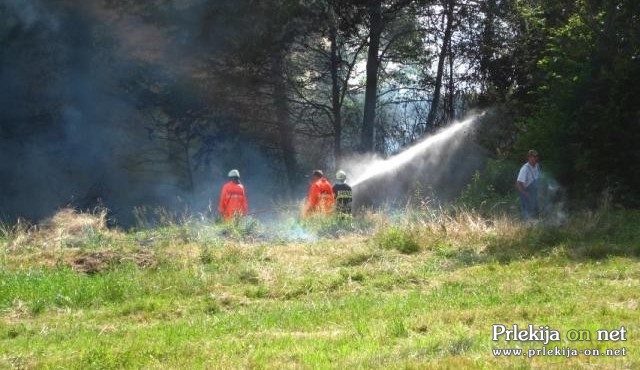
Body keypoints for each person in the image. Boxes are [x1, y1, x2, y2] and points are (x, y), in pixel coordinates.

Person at [516, 149, 540, 221]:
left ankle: (535, 224)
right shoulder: (525, 169)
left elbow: (537, 178)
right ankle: (526, 226)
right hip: (525, 191)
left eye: (536, 156)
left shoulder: (537, 166)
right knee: (526, 210)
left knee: (534, 208)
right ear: (529, 158)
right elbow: (518, 183)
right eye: (533, 157)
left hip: (534, 191)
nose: (535, 158)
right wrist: (526, 193)